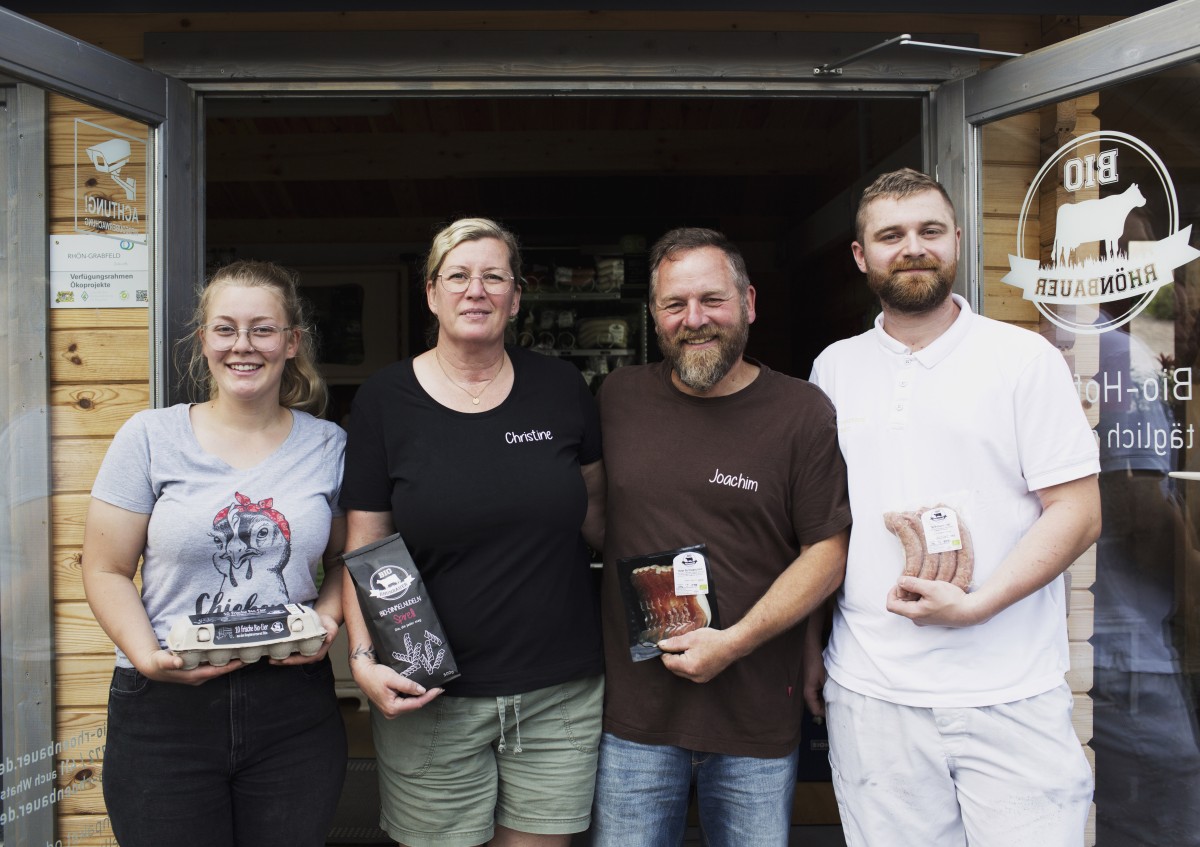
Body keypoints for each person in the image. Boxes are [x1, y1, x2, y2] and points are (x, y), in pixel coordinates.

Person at [808, 167, 1101, 846]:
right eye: (891, 235)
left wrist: (978, 603)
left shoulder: (1023, 359)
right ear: (861, 256)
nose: (913, 246)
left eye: (930, 230)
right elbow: (826, 527)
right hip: (874, 695)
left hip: (1012, 692)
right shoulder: (833, 369)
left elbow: (1079, 511)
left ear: (959, 241)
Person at [339, 217, 605, 847]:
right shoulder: (385, 400)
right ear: (431, 293)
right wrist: (361, 660)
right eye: (458, 275)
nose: (475, 290)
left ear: (516, 296)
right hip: (430, 693)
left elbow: (599, 513)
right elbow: (365, 543)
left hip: (557, 691)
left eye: (494, 276)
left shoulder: (561, 387)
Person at [591, 227, 851, 847]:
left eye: (713, 300)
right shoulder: (618, 398)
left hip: (754, 713)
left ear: (750, 303)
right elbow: (589, 514)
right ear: (654, 315)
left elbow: (827, 551)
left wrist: (734, 642)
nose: (694, 319)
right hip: (635, 719)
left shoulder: (802, 411)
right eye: (675, 304)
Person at [81, 260, 349, 847]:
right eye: (225, 328)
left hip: (290, 706)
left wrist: (327, 618)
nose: (243, 346)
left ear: (291, 342)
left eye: (262, 329)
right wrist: (148, 656)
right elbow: (104, 568)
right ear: (202, 340)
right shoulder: (149, 437)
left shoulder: (329, 446)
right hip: (166, 708)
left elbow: (348, 559)